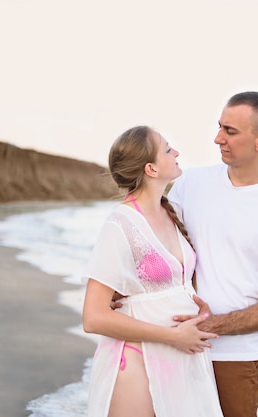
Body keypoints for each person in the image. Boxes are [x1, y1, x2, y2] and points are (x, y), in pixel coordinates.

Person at [168, 91, 258, 417]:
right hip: (171, 343)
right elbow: (157, 250)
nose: (218, 138)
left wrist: (209, 326)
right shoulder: (190, 182)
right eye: (220, 127)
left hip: (234, 358)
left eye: (230, 131)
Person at [81, 126, 223, 417]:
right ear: (151, 168)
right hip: (137, 361)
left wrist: (201, 310)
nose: (177, 153)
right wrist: (173, 336)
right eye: (169, 149)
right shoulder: (119, 225)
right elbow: (93, 317)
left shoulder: (173, 213)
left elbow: (178, 285)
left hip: (181, 360)